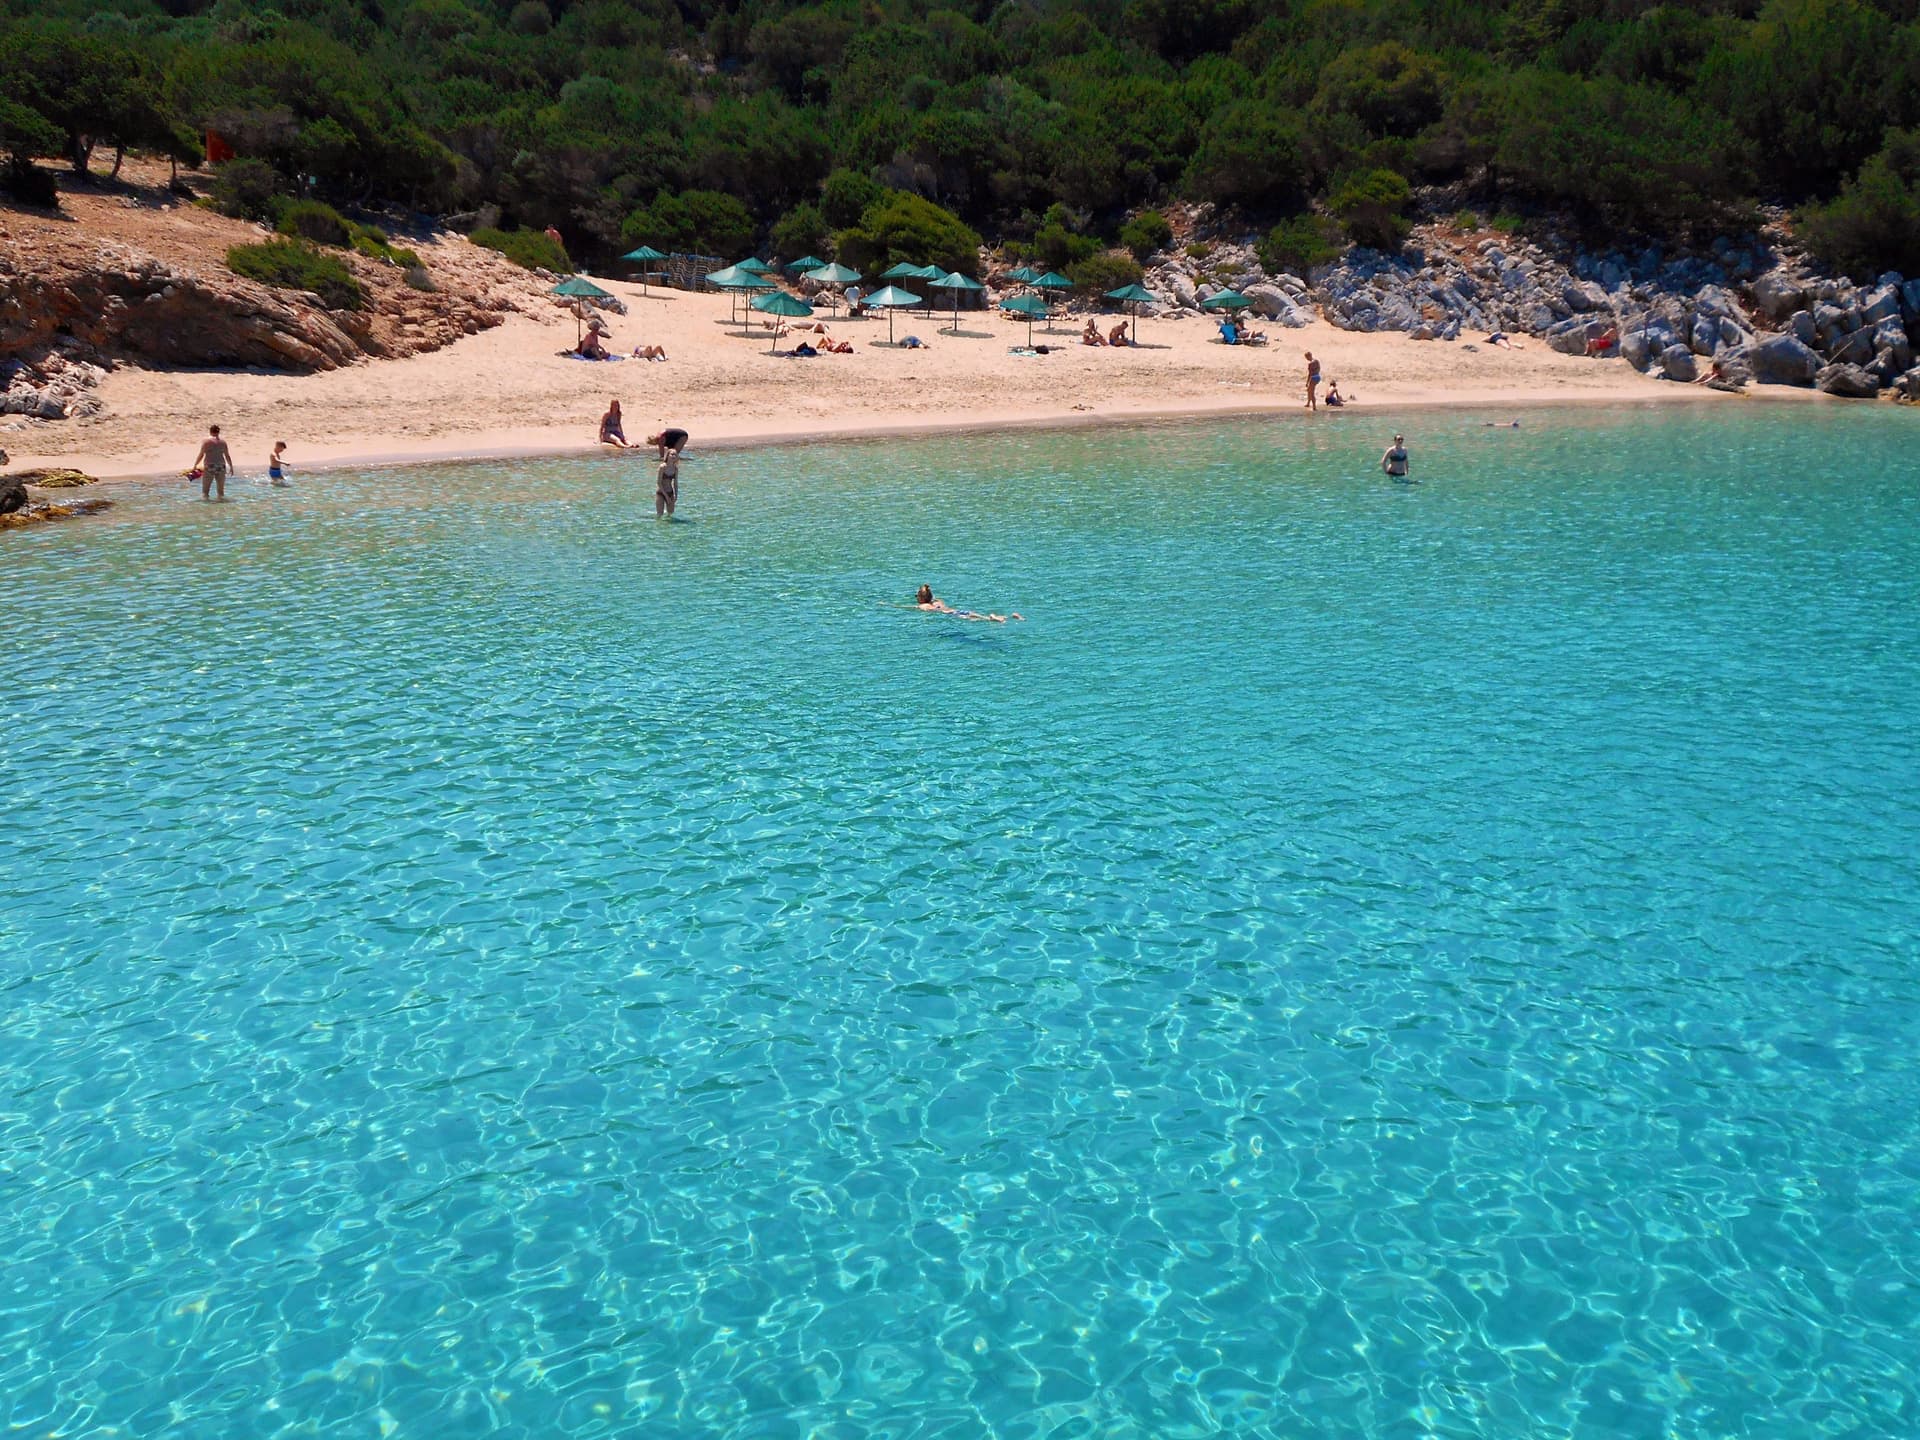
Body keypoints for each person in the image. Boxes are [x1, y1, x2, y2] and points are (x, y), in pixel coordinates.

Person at [192, 425, 232, 501]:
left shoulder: (206, 442)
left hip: (209, 466)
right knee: (221, 492)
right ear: (218, 432)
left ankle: (206, 507)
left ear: (210, 431)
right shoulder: (223, 442)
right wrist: (231, 466)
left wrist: (195, 465)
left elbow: (201, 454)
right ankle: (221, 506)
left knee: (205, 491)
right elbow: (227, 455)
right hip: (221, 466)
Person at [655, 449, 679, 518]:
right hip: (661, 493)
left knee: (670, 515)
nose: (673, 456)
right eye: (672, 454)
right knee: (660, 515)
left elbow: (675, 483)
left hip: (670, 493)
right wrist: (666, 497)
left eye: (675, 454)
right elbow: (659, 482)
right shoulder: (662, 467)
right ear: (667, 455)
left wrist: (675, 495)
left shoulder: (675, 468)